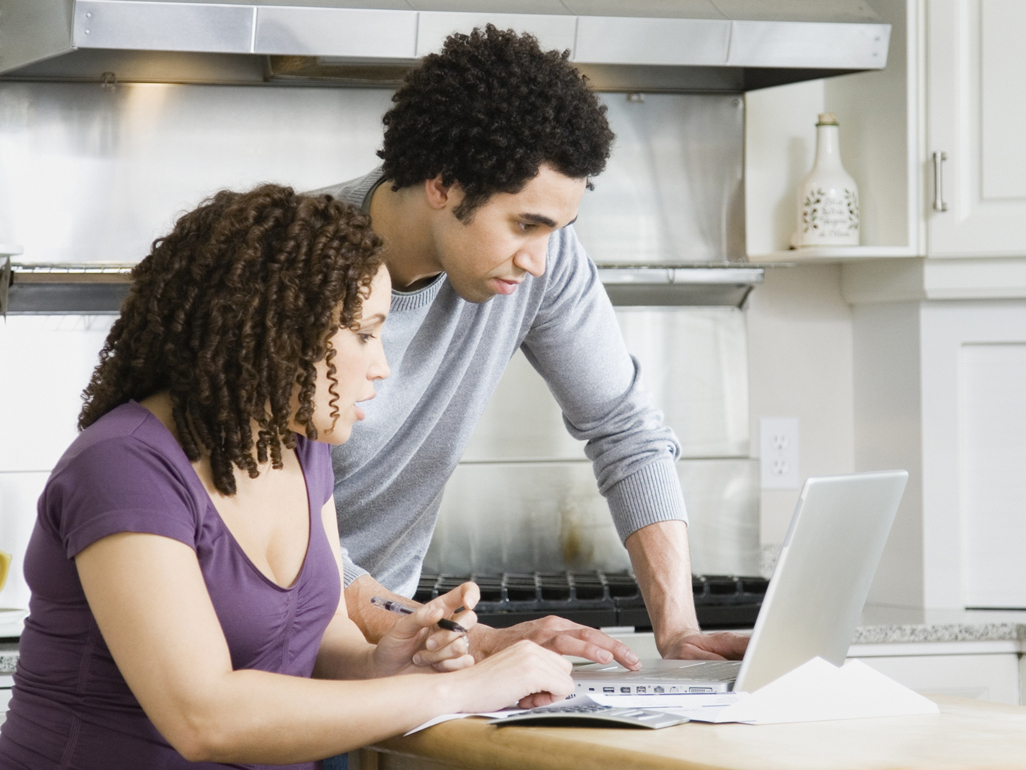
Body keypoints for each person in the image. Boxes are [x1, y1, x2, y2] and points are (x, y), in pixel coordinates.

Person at [0, 185, 574, 770]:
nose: (381, 365)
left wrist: (386, 662)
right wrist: (459, 690)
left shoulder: (298, 447)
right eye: (364, 332)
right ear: (281, 329)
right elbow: (204, 718)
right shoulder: (125, 467)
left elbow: (321, 638)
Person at [315, 26, 750, 669]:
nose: (540, 262)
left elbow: (625, 430)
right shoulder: (294, 268)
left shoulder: (542, 263)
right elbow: (284, 528)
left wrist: (678, 629)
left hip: (387, 646)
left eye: (559, 229)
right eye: (527, 224)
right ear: (444, 184)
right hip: (270, 625)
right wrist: (479, 639)